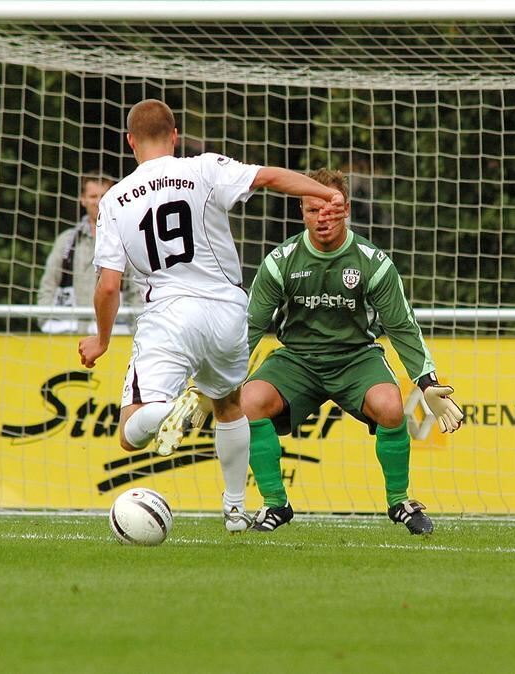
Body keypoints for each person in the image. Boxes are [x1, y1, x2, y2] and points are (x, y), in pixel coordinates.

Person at [77, 99, 346, 533]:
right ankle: (236, 510)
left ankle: (166, 410)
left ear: (130, 142)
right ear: (175, 135)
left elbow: (108, 285)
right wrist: (326, 193)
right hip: (227, 312)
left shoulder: (113, 201)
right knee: (228, 404)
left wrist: (102, 340)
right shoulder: (204, 168)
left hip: (169, 314)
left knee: (130, 433)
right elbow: (271, 177)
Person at [243, 168, 464, 536]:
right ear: (301, 209)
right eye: (313, 210)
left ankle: (400, 502)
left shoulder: (372, 263)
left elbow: (402, 327)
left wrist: (428, 384)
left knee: (392, 407)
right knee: (249, 401)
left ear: (346, 209)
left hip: (356, 357)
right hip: (297, 359)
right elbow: (249, 328)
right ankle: (275, 504)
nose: (323, 217)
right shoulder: (280, 262)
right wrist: (213, 384)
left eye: (331, 209)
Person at [37, 173, 140, 335]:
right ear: (83, 199)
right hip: (68, 333)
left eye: (104, 196)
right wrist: (46, 322)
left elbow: (136, 290)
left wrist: (136, 331)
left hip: (115, 335)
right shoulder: (67, 241)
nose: (99, 201)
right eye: (93, 196)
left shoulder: (126, 239)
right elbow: (48, 286)